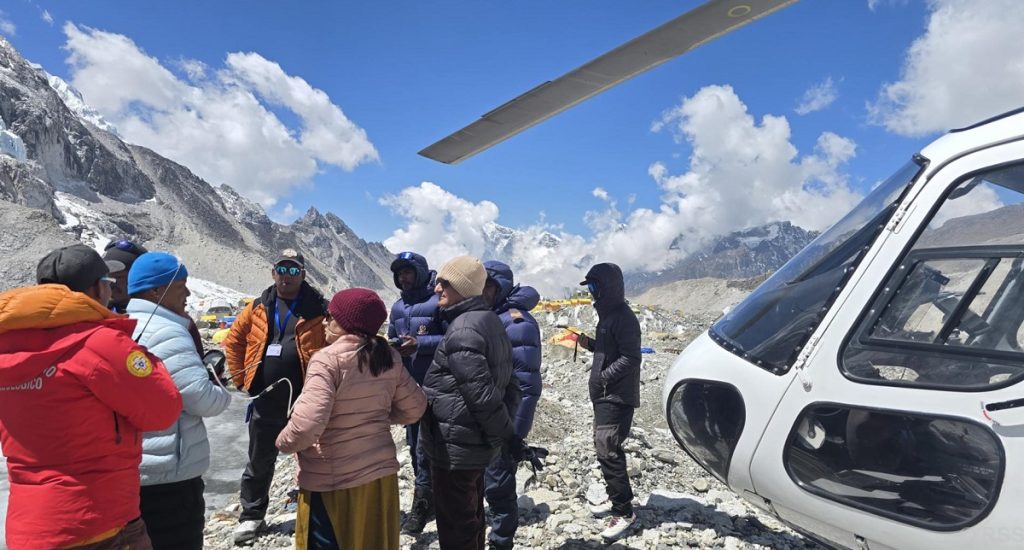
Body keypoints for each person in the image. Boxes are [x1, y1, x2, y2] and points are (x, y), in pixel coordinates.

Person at [0, 244, 182, 550]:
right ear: (98, 288)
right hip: (98, 522)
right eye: (108, 283)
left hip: (29, 526)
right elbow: (163, 409)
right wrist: (145, 358)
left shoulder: (7, 347)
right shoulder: (101, 343)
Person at [277, 288, 427, 550]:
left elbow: (307, 426)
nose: (324, 322)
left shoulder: (326, 360)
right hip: (379, 477)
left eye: (330, 316)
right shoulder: (387, 356)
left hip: (334, 482)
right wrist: (378, 417)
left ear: (346, 323)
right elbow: (415, 407)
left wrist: (281, 442)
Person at [126, 252, 233, 549]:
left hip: (131, 469)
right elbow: (200, 399)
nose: (187, 294)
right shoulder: (169, 332)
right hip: (169, 477)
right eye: (181, 286)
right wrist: (220, 389)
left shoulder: (122, 325)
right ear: (156, 291)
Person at [419, 256, 527, 550]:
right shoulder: (488, 320)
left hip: (454, 447)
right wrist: (502, 434)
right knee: (471, 516)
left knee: (456, 526)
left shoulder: (464, 328)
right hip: (472, 443)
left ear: (464, 287)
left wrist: (507, 437)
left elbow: (481, 395)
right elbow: (511, 385)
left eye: (445, 283)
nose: (437, 288)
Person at [224, 249, 328, 545]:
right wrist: (242, 380)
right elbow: (234, 341)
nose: (286, 276)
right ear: (273, 273)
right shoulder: (258, 306)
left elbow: (333, 342)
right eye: (282, 269)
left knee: (315, 456)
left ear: (303, 275)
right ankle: (252, 515)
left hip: (306, 398)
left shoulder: (319, 307)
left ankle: (318, 511)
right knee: (259, 459)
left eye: (294, 270)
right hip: (265, 397)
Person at [575, 262, 642, 541]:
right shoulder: (609, 315)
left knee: (608, 449)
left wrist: (603, 377)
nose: (591, 292)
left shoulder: (623, 317)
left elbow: (631, 357)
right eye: (589, 287)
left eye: (594, 286)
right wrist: (589, 343)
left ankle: (624, 512)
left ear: (607, 287)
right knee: (605, 448)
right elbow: (609, 350)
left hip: (616, 396)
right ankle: (617, 499)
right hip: (606, 395)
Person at [480, 261, 542, 550]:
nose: (482, 292)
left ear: (500, 288)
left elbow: (527, 385)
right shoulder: (492, 316)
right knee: (484, 481)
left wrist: (514, 434)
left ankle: (501, 542)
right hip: (487, 417)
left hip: (504, 423)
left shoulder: (517, 323)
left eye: (488, 287)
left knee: (499, 485)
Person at [386, 251, 446, 534]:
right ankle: (432, 499)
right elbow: (391, 335)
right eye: (399, 273)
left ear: (420, 272)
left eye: (408, 272)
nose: (403, 278)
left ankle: (421, 508)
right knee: (414, 446)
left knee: (425, 449)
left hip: (436, 387)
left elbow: (454, 337)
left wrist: (420, 344)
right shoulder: (398, 307)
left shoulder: (438, 302)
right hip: (407, 389)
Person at [103, 239, 149, 313]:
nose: (109, 283)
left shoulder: (151, 317)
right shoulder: (91, 313)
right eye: (105, 277)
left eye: (117, 276)